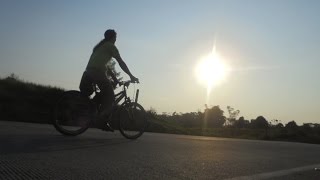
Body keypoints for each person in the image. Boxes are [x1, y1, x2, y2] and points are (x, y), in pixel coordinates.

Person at [79, 29, 139, 130]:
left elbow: (106, 66)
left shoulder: (100, 46)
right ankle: (101, 121)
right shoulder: (111, 46)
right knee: (111, 97)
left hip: (88, 72)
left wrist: (115, 79)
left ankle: (91, 111)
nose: (116, 40)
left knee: (102, 95)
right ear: (113, 38)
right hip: (97, 72)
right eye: (115, 37)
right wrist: (131, 76)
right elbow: (121, 62)